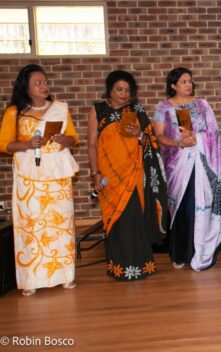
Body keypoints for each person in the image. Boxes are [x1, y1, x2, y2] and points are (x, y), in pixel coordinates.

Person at [0, 64, 79, 296]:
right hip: (29, 175)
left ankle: (65, 276)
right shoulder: (14, 112)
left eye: (45, 82)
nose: (44, 86)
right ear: (26, 87)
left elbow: (74, 138)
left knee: (60, 222)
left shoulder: (60, 108)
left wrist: (65, 140)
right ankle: (31, 279)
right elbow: (4, 144)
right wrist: (26, 144)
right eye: (38, 83)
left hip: (57, 175)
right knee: (31, 224)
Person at [87, 70, 169, 281]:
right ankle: (118, 267)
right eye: (119, 89)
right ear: (110, 89)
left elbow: (150, 142)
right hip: (109, 176)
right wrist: (95, 174)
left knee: (133, 218)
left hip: (133, 174)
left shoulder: (136, 110)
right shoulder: (97, 111)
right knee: (115, 220)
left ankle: (142, 266)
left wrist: (139, 135)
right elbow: (92, 144)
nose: (124, 94)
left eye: (127, 90)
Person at [153, 67, 221, 270]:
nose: (188, 84)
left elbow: (213, 133)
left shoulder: (202, 105)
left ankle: (200, 251)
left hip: (201, 164)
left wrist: (197, 139)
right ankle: (180, 254)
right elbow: (158, 136)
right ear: (173, 85)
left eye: (190, 81)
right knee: (181, 208)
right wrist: (179, 143)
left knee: (198, 205)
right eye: (183, 81)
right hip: (177, 164)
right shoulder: (163, 108)